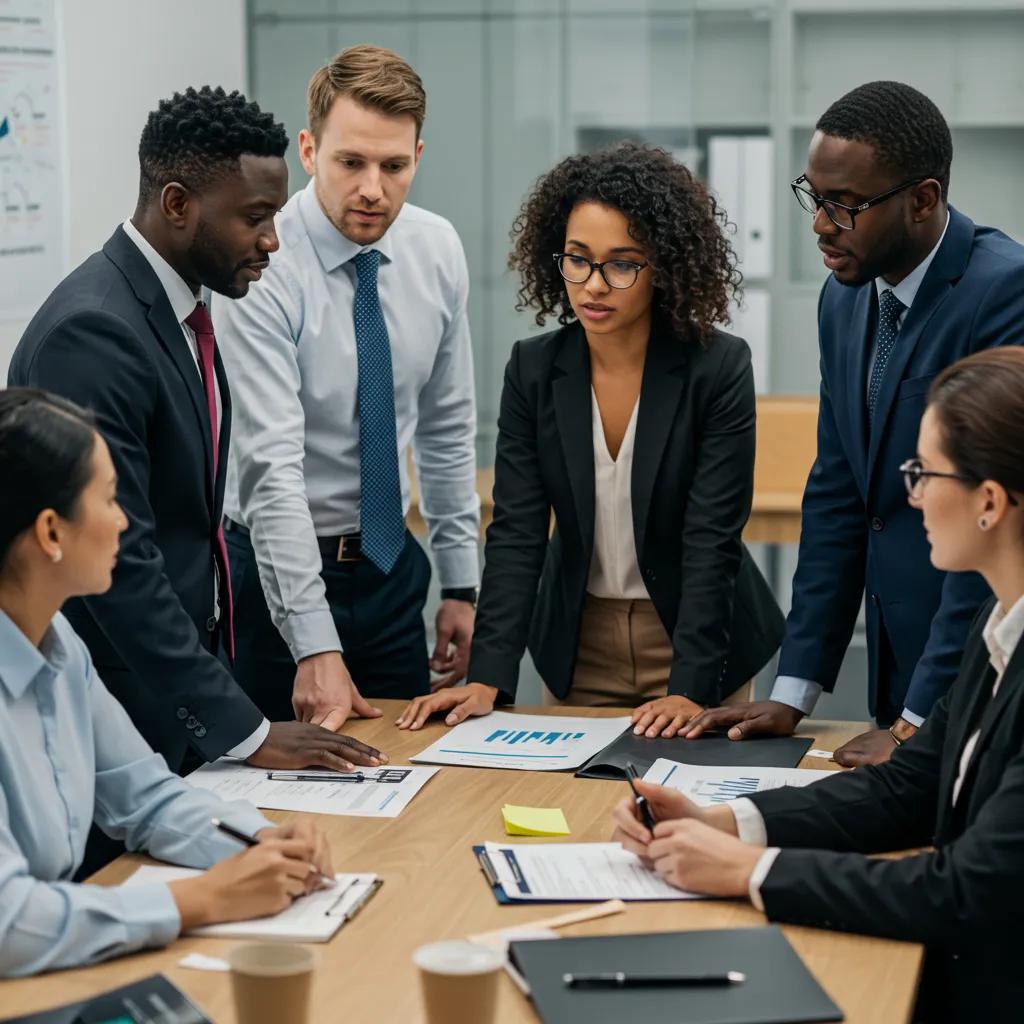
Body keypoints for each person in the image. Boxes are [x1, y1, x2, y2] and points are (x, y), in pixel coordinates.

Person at [612, 347, 1024, 1021]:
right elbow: (907, 786)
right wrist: (725, 823)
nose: (911, 493)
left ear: (989, 502)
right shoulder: (998, 618)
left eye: (923, 472)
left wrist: (748, 872)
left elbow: (965, 891)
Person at [8, 86, 383, 791]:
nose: (272, 241)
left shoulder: (182, 307)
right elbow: (121, 562)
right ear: (178, 205)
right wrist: (247, 730)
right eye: (255, 218)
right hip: (117, 708)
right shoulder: (95, 333)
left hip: (177, 701)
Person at [682, 81, 1024, 766]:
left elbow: (995, 522)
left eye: (844, 205)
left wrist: (918, 723)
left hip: (975, 681)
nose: (819, 224)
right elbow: (840, 494)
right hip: (896, 672)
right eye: (813, 196)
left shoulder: (1004, 292)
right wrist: (794, 688)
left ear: (922, 200)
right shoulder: (844, 303)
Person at [398, 143, 783, 734]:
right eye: (577, 259)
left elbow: (712, 536)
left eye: (621, 264)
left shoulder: (718, 367)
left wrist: (691, 687)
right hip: (580, 642)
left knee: (683, 806)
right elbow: (519, 530)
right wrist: (489, 674)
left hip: (697, 638)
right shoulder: (534, 369)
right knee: (574, 812)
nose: (594, 286)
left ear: (665, 267)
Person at [0, 388, 335, 977]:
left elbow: (148, 798)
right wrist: (203, 900)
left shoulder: (59, 647)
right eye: (109, 499)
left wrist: (263, 844)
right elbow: (8, 923)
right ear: (52, 533)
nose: (125, 520)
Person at [213, 45, 479, 728]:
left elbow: (448, 427)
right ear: (308, 151)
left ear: (418, 155)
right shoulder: (261, 263)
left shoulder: (436, 248)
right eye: (351, 162)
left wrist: (461, 582)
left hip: (392, 569)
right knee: (275, 796)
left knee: (410, 776)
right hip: (277, 574)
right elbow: (269, 469)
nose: (373, 189)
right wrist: (313, 642)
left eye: (394, 166)